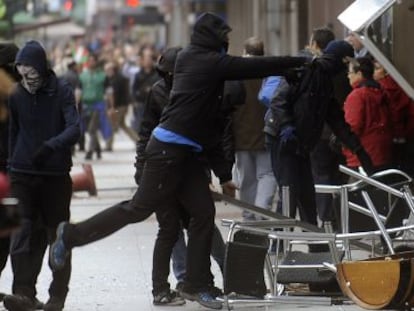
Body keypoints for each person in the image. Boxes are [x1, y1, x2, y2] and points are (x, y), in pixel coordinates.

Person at [49, 12, 308, 310]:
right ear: (212, 38)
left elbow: (214, 126)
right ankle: (71, 236)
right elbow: (252, 65)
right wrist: (300, 61)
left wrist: (223, 173)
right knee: (138, 209)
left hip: (188, 154)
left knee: (202, 213)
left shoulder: (197, 61)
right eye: (223, 36)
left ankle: (194, 284)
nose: (226, 41)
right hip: (167, 150)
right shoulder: (203, 60)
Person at [264, 40, 374, 245]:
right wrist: (287, 125)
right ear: (337, 59)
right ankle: (278, 244)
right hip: (282, 138)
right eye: (345, 62)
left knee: (306, 192)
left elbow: (336, 119)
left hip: (301, 142)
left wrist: (357, 148)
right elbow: (279, 101)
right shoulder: (305, 71)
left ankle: (315, 242)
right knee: (289, 189)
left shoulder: (325, 84)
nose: (345, 68)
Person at [4, 40, 80, 311]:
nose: (26, 80)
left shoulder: (62, 91)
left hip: (55, 176)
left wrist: (52, 145)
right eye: (22, 74)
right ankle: (23, 292)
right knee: (22, 235)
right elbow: (14, 131)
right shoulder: (16, 94)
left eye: (31, 74)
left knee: (58, 238)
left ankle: (57, 295)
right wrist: (13, 164)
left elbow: (75, 129)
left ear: (42, 68)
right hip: (22, 175)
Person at [231, 37, 277, 220]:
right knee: (266, 174)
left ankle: (249, 214)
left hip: (241, 136)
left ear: (244, 51)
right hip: (265, 134)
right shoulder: (270, 72)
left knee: (246, 178)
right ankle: (261, 211)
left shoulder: (236, 73)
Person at [342, 57, 393, 172]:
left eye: (350, 72)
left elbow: (352, 126)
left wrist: (341, 142)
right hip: (382, 152)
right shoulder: (382, 92)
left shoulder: (357, 95)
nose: (348, 76)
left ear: (359, 74)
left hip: (362, 155)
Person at [373, 60, 414, 175]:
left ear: (386, 71)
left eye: (377, 69)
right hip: (406, 136)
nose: (373, 73)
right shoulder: (404, 86)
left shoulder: (381, 89)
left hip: (392, 137)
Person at [104, 61, 138, 151]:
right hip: (122, 105)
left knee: (112, 124)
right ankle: (138, 141)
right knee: (122, 125)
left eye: (107, 69)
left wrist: (112, 107)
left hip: (119, 106)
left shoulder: (117, 79)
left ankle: (108, 145)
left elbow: (116, 94)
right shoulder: (115, 78)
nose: (106, 72)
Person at [79, 54, 107, 160]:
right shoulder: (83, 76)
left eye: (92, 60)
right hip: (86, 106)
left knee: (91, 129)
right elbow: (79, 90)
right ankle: (98, 148)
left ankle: (89, 151)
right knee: (91, 130)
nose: (91, 62)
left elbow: (108, 91)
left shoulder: (102, 76)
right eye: (89, 60)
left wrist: (111, 106)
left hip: (98, 105)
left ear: (96, 62)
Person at [131, 46, 159, 133]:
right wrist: (134, 101)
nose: (147, 60)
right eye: (146, 58)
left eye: (149, 58)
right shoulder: (138, 75)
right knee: (140, 127)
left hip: (154, 104)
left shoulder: (157, 74)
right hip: (141, 104)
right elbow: (134, 89)